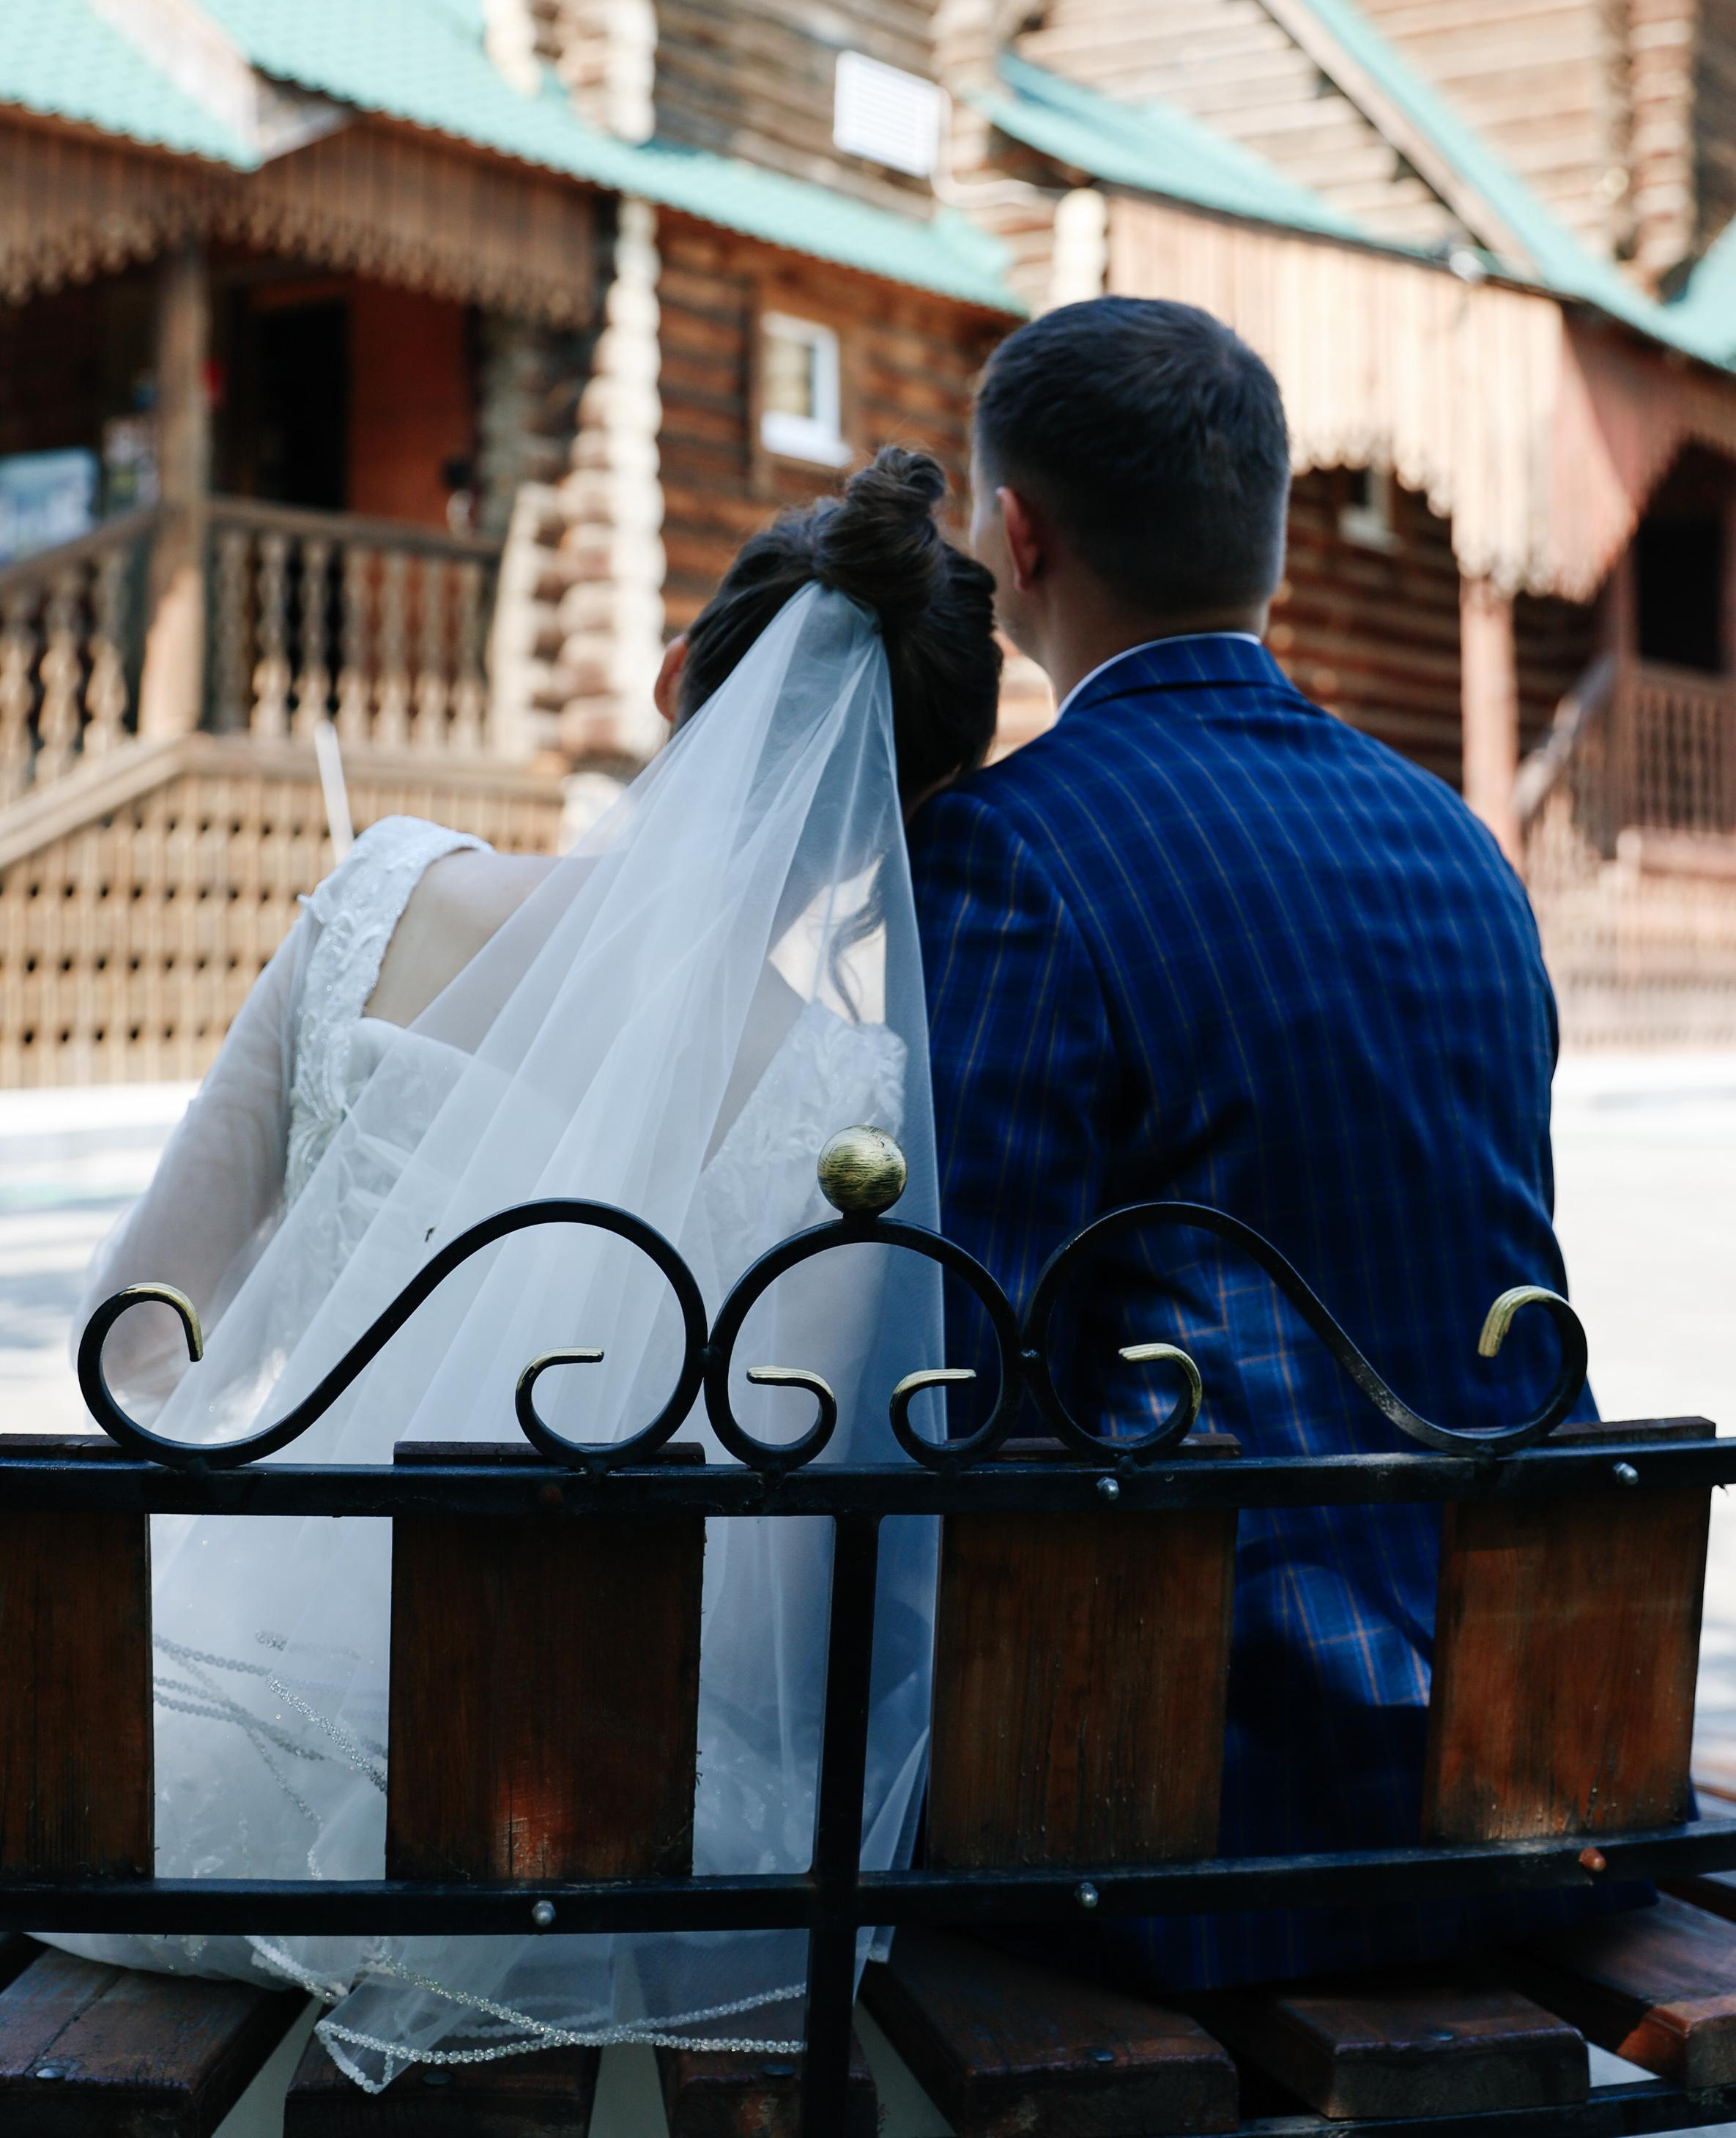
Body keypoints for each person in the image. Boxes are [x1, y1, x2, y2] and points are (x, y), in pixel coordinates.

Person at [64, 449, 999, 2091]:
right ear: (898, 815)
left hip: (218, 1771)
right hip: (586, 1804)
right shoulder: (846, 1101)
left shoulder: (376, 904)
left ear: (665, 681)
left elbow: (136, 1343)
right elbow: (768, 1591)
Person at [906, 296, 1590, 1992]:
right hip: (1529, 1762)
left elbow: (962, 1362)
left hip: (1204, 1813)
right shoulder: (1457, 842)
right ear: (1275, 531)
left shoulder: (1009, 848)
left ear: (1019, 536)